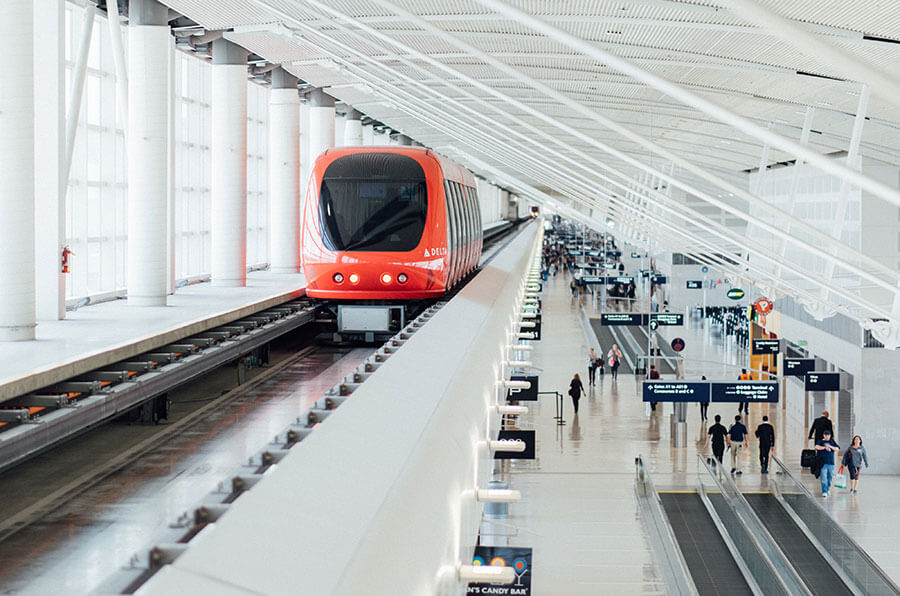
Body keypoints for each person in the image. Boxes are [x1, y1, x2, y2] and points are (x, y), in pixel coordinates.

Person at [815, 430, 840, 497]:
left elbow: (837, 448)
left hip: (831, 463)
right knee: (823, 477)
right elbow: (816, 447)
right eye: (826, 435)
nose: (827, 436)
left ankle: (827, 488)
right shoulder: (820, 441)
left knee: (830, 477)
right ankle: (824, 491)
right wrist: (825, 448)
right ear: (824, 435)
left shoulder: (832, 441)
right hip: (822, 463)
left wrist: (830, 447)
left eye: (828, 435)